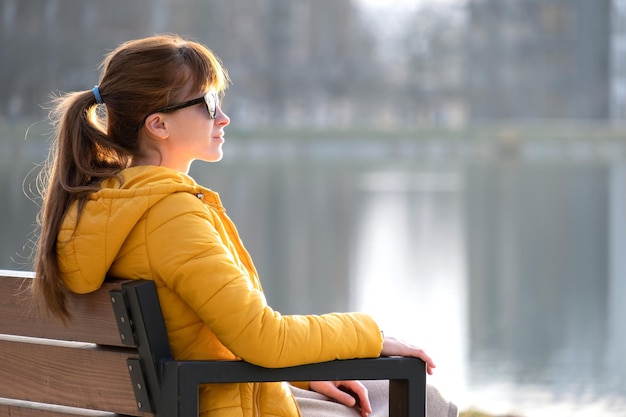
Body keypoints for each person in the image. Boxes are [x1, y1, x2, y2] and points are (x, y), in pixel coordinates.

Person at [32, 34, 457, 417]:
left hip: (195, 397)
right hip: (224, 405)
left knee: (383, 393)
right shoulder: (169, 216)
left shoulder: (100, 208)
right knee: (427, 401)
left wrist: (304, 376)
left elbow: (199, 341)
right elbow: (263, 337)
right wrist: (372, 335)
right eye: (209, 105)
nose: (223, 118)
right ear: (158, 125)